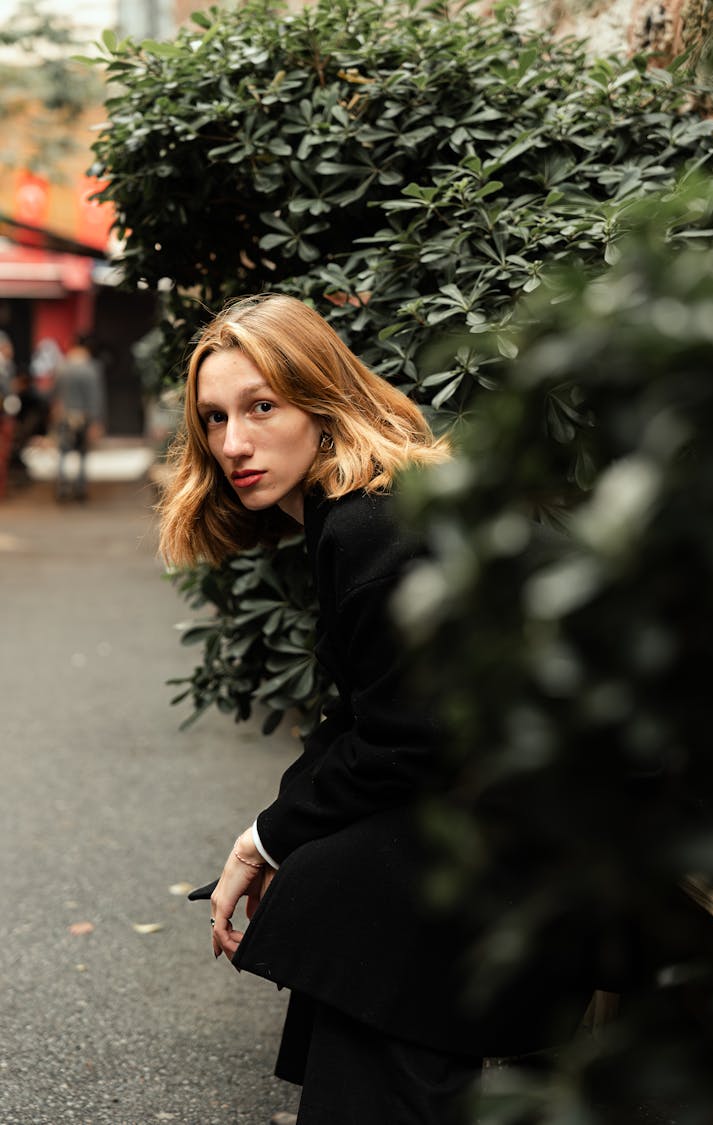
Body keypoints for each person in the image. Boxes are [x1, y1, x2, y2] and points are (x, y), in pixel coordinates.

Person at [158, 294, 589, 1125]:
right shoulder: (355, 509)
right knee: (335, 883)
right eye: (214, 418)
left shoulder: (371, 524)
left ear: (321, 401)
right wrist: (269, 830)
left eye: (261, 407)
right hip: (526, 789)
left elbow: (407, 740)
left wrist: (271, 838)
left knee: (346, 890)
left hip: (573, 815)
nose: (233, 443)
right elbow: (370, 713)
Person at [53, 335, 105, 501]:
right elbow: (95, 397)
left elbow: (55, 394)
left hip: (65, 415)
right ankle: (81, 487)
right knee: (82, 453)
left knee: (63, 452)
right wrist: (96, 421)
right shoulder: (91, 368)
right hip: (84, 416)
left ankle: (62, 485)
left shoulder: (62, 367)